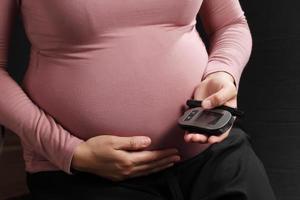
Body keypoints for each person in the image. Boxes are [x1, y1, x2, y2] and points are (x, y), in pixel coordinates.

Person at [0, 0, 276, 199]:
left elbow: (231, 24)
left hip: (208, 154)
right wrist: (70, 152)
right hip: (83, 173)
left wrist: (223, 72)